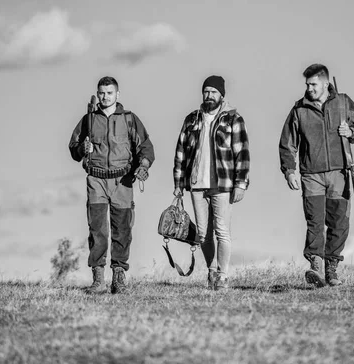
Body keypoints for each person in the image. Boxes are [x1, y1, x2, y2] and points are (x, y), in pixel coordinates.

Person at [279, 64, 354, 287]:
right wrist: (289, 171)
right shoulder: (299, 109)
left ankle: (332, 267)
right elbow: (287, 143)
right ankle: (315, 266)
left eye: (313, 84)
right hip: (311, 175)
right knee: (314, 221)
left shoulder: (344, 102)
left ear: (326, 84)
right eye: (307, 85)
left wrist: (351, 132)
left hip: (340, 172)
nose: (309, 89)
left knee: (339, 222)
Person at [69, 76, 155, 294]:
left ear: (118, 95)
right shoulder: (88, 119)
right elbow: (73, 148)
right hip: (96, 179)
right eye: (101, 92)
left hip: (122, 181)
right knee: (97, 229)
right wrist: (82, 149)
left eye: (109, 93)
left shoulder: (129, 119)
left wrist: (143, 166)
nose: (104, 96)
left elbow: (145, 146)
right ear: (97, 94)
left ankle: (119, 277)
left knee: (122, 229)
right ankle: (98, 280)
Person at [173, 75, 250, 290]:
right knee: (203, 234)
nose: (209, 95)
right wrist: (178, 184)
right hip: (197, 184)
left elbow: (242, 152)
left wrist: (241, 184)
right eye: (206, 91)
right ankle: (211, 271)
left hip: (223, 183)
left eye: (213, 92)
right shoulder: (192, 119)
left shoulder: (233, 119)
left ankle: (223, 276)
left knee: (222, 231)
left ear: (222, 95)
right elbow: (180, 152)